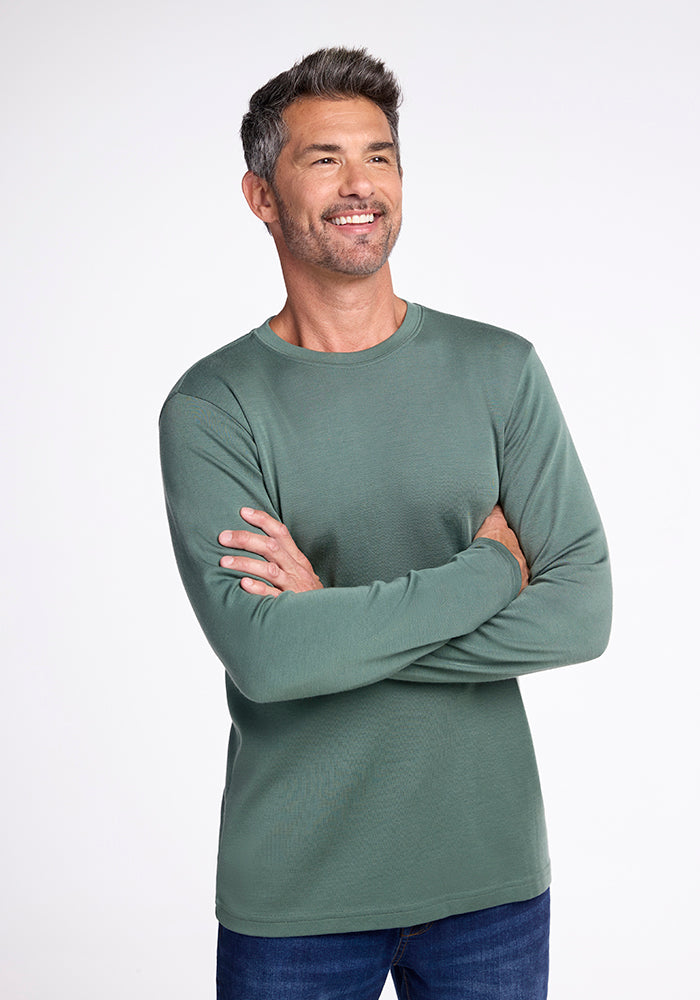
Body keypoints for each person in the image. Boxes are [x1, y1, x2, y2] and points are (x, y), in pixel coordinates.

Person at [159, 46, 612, 1000]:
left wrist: (336, 622)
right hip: (297, 897)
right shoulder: (213, 408)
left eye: (381, 156)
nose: (360, 185)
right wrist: (486, 576)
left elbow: (581, 615)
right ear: (260, 196)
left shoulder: (501, 370)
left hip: (488, 882)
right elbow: (272, 659)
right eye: (324, 160)